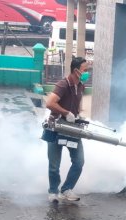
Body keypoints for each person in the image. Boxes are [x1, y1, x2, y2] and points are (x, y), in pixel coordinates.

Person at [44, 57, 90, 203]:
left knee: (79, 161)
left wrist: (77, 115)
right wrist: (65, 113)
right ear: (76, 71)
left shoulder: (81, 86)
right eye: (85, 70)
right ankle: (53, 191)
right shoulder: (63, 84)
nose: (87, 72)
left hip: (72, 128)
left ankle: (66, 189)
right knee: (54, 164)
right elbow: (50, 103)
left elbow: (76, 106)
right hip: (56, 127)